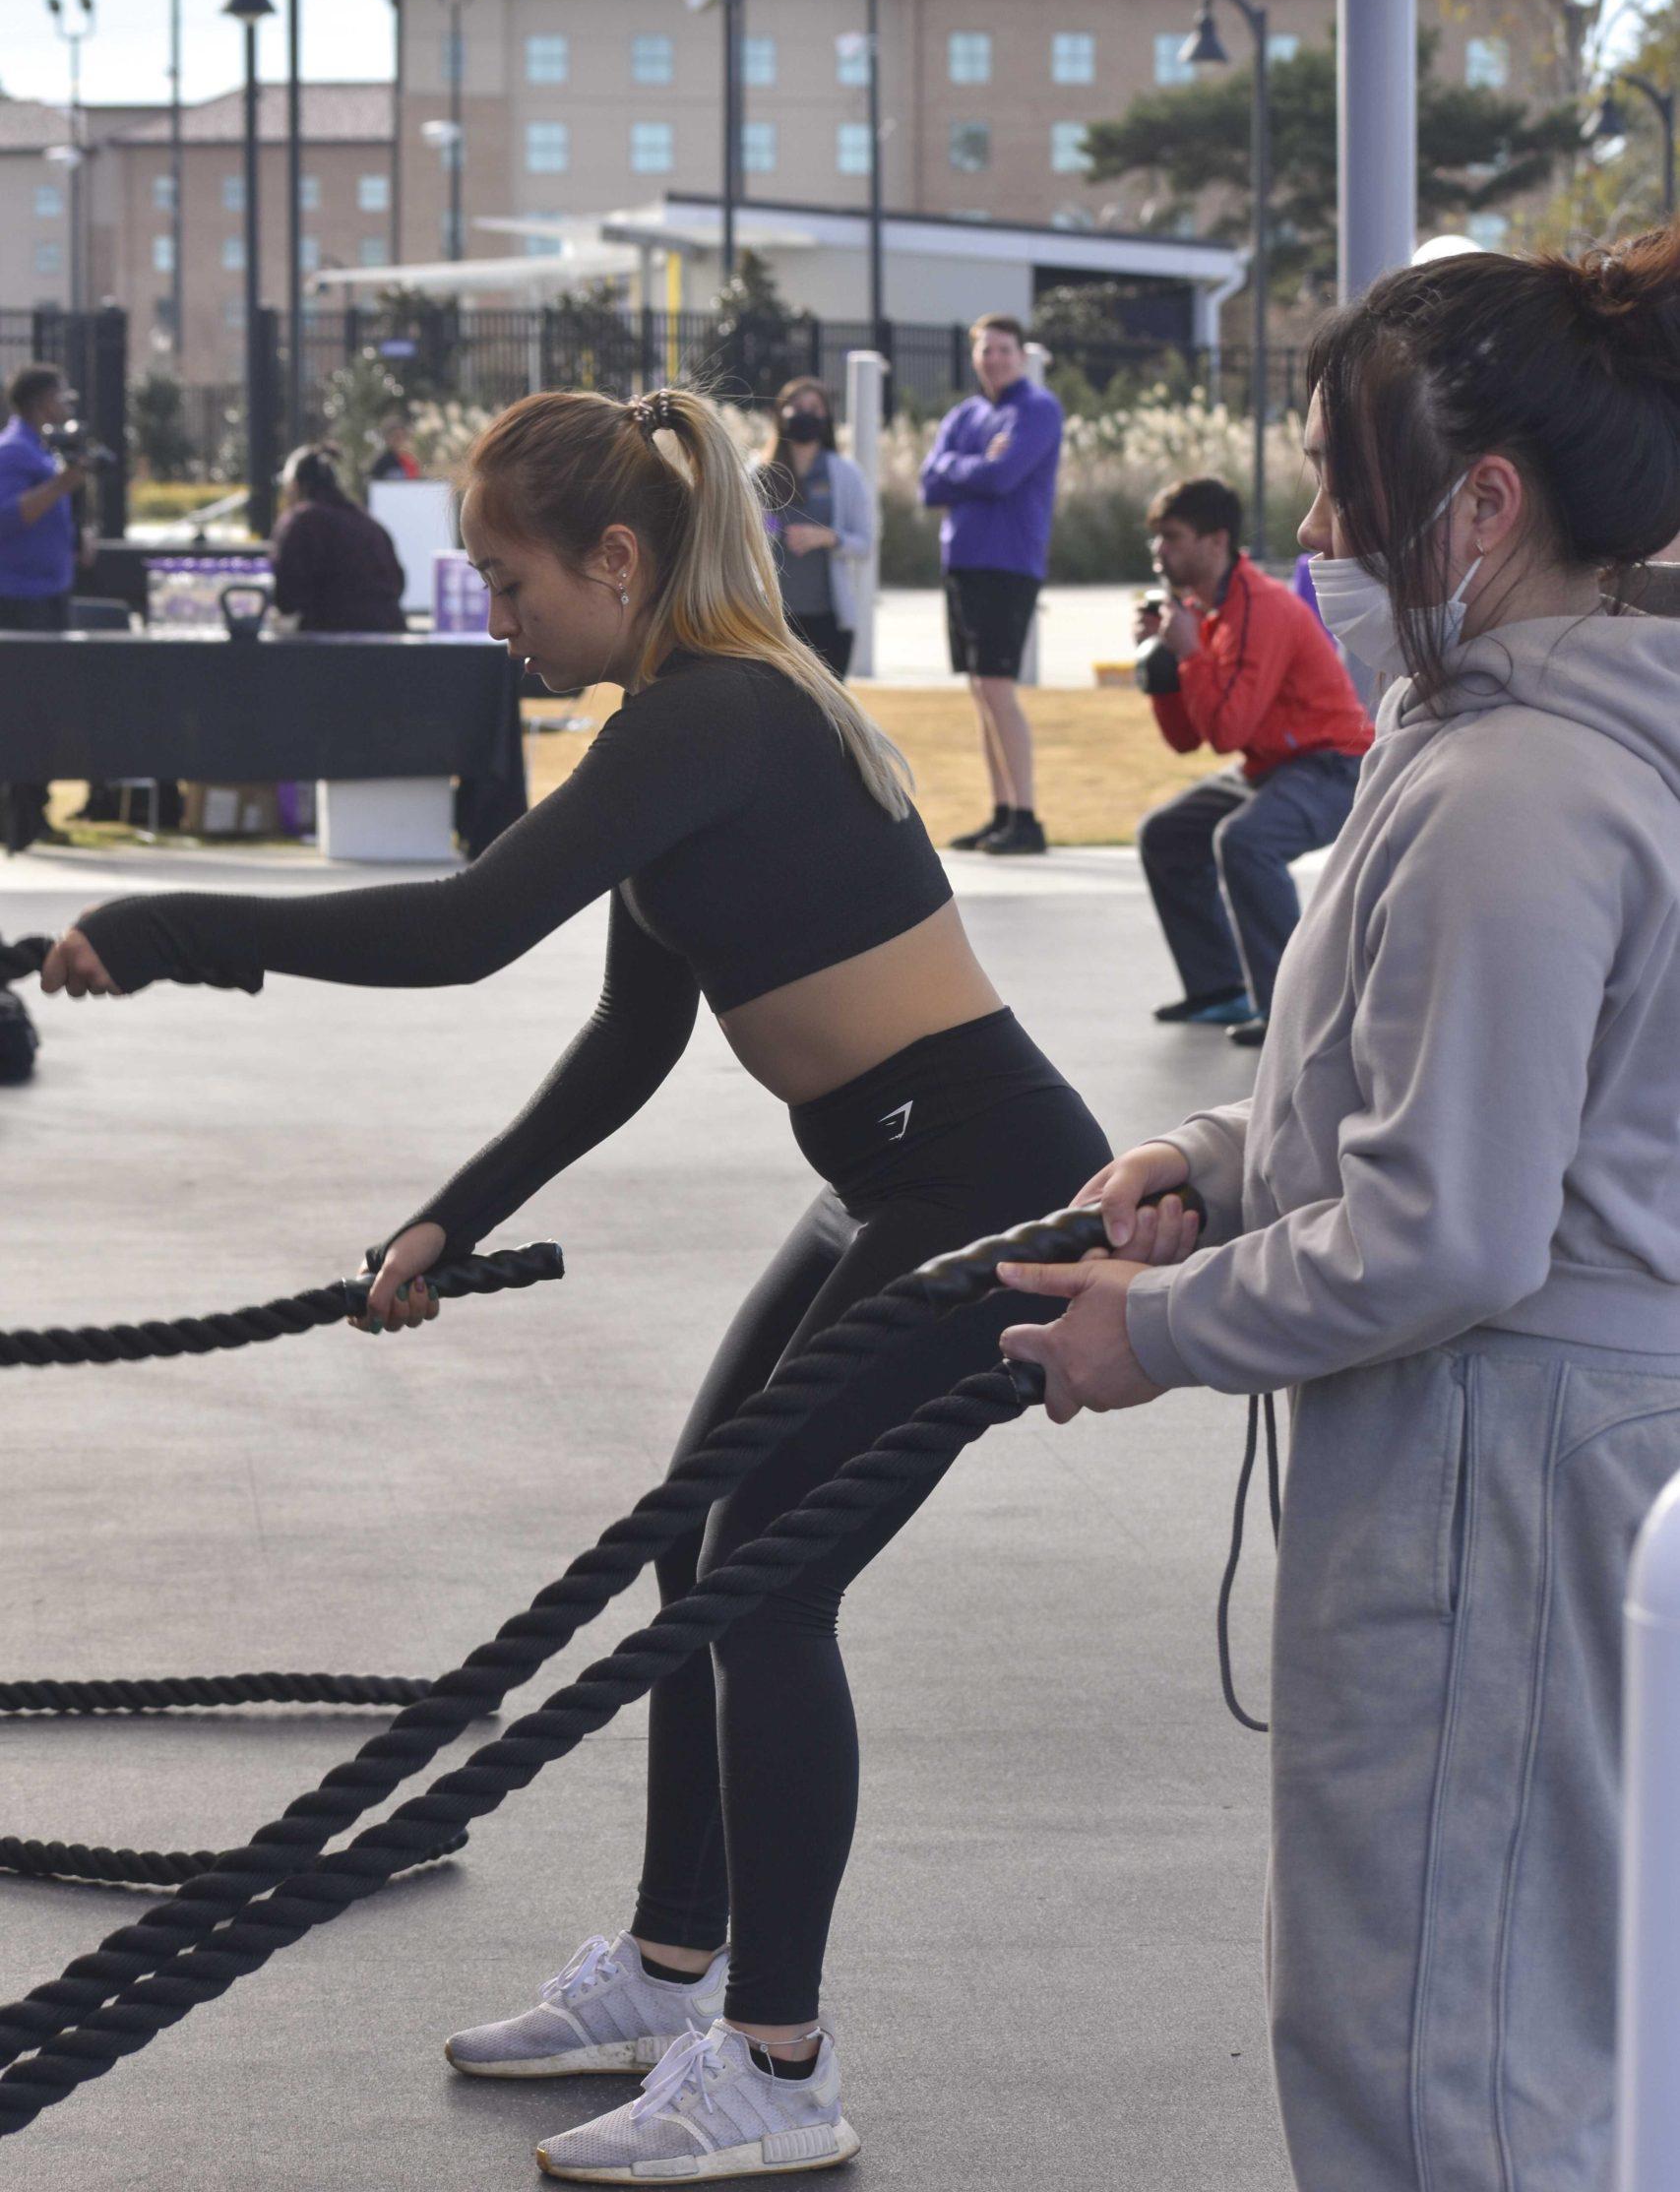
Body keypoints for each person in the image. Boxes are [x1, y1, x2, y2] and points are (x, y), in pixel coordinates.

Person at [41, 383, 1126, 2186]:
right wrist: (454, 1215)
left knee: (768, 1585)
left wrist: (175, 932)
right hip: (893, 1176)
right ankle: (665, 1966)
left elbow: (465, 930)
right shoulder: (675, 722)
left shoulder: (714, 718)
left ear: (618, 560)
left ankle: (779, 2060)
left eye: (509, 576)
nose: (493, 611)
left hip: (986, 1187)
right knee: (704, 1555)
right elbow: (632, 1033)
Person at [994, 227, 1680, 2192]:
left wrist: (1164, 1328)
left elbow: (1449, 1222)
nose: (1305, 528)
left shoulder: (1520, 784)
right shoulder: (1493, 746)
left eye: (1336, 481)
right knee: (1501, 2021)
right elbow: (1419, 1082)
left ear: (1481, 500)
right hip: (1534, 1461)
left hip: (1499, 1466)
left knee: (1430, 2055)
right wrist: (1210, 1160)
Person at [1133, 475, 1373, 1047]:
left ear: (1216, 542)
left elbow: (1227, 729)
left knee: (1246, 842)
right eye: (1156, 540)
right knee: (1165, 834)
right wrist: (1165, 670)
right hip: (1272, 766)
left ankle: (1295, 1011)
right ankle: (1219, 990)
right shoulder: (1203, 609)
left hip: (1334, 768)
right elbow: (1187, 739)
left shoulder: (1259, 609)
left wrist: (1189, 655)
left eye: (1172, 537)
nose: (1159, 552)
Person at [918, 313, 1063, 854]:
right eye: (986, 351)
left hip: (1008, 563)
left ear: (1020, 355)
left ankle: (1027, 817)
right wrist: (974, 465)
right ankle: (1001, 811)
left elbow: (1005, 478)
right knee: (980, 690)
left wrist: (960, 470)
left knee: (998, 688)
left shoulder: (1038, 409)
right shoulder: (965, 414)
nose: (995, 358)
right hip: (962, 561)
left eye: (1004, 349)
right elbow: (927, 486)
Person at [0, 362, 96, 854]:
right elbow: (8, 518)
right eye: (60, 396)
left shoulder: (39, 448)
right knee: (24, 708)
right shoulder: (13, 451)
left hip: (48, 592)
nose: (66, 406)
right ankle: (18, 819)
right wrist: (63, 484)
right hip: (20, 599)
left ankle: (33, 811)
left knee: (45, 708)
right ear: (40, 402)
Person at [759, 376, 875, 677]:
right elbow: (743, 533)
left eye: (814, 407)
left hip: (828, 621)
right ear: (780, 415)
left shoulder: (844, 474)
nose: (804, 413)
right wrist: (774, 526)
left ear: (826, 417)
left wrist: (828, 538)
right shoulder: (758, 473)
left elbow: (865, 543)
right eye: (796, 406)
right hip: (771, 621)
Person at [271, 445, 406, 635]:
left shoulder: (300, 522)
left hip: (334, 644)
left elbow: (286, 599)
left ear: (295, 485)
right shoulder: (368, 523)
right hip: (391, 641)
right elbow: (397, 584)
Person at [369, 413, 421, 482]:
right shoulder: (382, 462)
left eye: (402, 437)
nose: (399, 441)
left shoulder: (412, 461)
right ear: (387, 439)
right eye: (395, 437)